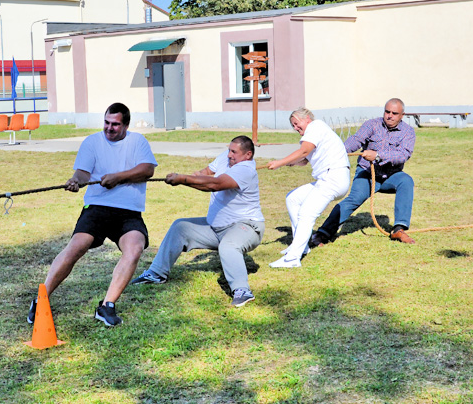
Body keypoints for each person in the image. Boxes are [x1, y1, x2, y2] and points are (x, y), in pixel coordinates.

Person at [28, 102, 157, 327]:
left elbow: (148, 170)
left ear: (126, 125)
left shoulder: (138, 142)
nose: (109, 128)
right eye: (106, 122)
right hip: (97, 207)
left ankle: (107, 306)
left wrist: (118, 177)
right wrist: (75, 181)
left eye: (115, 124)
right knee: (76, 247)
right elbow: (82, 173)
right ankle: (41, 299)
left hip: (129, 211)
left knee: (135, 248)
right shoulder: (92, 142)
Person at [131, 136, 265, 307]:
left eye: (234, 152)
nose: (229, 155)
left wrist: (183, 180)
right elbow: (207, 173)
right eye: (229, 150)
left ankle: (242, 290)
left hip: (246, 227)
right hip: (216, 228)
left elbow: (214, 184)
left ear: (248, 155)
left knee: (229, 246)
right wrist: (193, 176)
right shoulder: (226, 158)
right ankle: (156, 273)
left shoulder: (245, 170)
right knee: (180, 227)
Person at [311, 98, 417, 246]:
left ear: (402, 115)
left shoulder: (408, 132)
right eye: (387, 112)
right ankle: (323, 233)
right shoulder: (372, 124)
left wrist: (378, 155)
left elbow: (403, 155)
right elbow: (356, 140)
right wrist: (337, 151)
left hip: (391, 175)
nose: (389, 116)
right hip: (367, 173)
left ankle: (399, 229)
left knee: (406, 181)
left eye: (394, 113)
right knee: (354, 199)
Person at [267, 108, 351, 268]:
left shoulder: (315, 126)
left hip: (332, 178)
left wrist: (279, 163)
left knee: (306, 213)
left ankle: (292, 259)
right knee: (293, 198)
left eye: (296, 123)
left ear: (307, 118)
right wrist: (289, 162)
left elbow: (304, 151)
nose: (295, 128)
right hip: (328, 179)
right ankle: (301, 245)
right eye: (293, 126)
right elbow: (304, 159)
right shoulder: (315, 132)